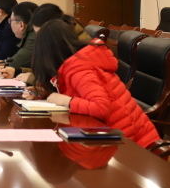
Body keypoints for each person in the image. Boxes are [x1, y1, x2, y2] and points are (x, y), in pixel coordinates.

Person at [23, 19, 159, 148]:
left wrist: (67, 101)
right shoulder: (74, 64)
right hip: (115, 135)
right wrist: (45, 92)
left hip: (132, 143)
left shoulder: (79, 69)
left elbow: (101, 108)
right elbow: (77, 92)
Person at [0, 1, 38, 78]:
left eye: (10, 21)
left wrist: (7, 64)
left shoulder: (34, 37)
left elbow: (16, 63)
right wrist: (5, 62)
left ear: (21, 25)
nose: (10, 25)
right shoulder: (31, 33)